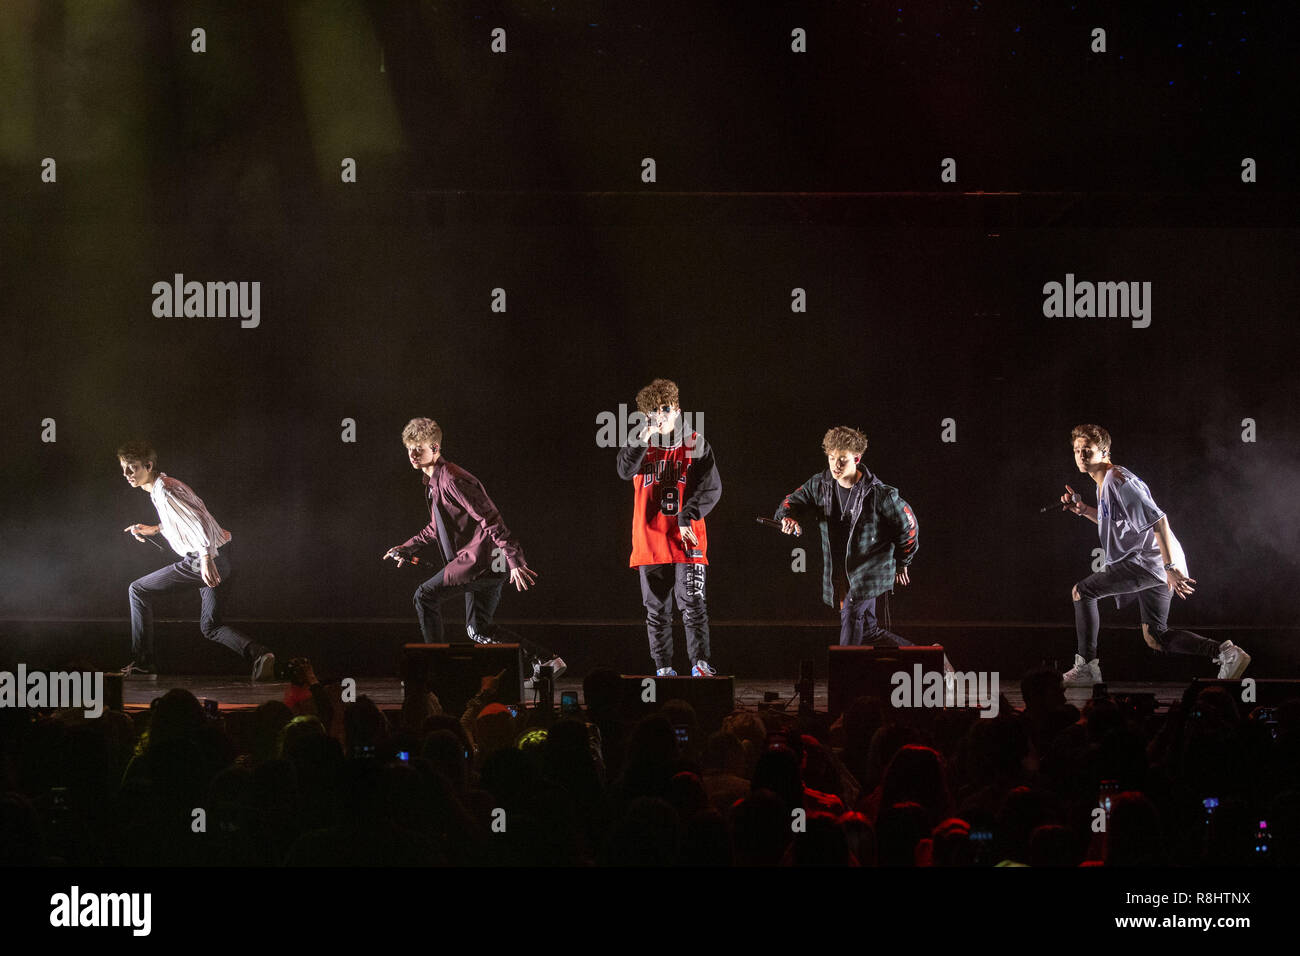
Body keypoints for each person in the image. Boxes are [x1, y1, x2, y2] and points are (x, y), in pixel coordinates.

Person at [1059, 424, 1249, 685]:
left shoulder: (1118, 480)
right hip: (1153, 561)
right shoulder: (1104, 483)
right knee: (1156, 637)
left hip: (1149, 561)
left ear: (1104, 452)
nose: (1081, 456)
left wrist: (1170, 567)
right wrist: (1083, 511)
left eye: (1087, 450)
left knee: (1082, 592)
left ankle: (1087, 668)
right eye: (1077, 450)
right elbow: (1116, 524)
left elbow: (1159, 521)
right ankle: (1226, 652)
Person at [382, 418, 562, 683]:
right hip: (486, 565)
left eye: (418, 448)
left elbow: (490, 518)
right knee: (478, 628)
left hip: (480, 562)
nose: (412, 454)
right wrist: (407, 547)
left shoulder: (453, 478)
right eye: (409, 448)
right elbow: (436, 527)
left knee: (424, 596)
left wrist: (513, 558)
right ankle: (547, 660)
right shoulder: (434, 482)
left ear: (434, 447)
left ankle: (436, 670)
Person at [117, 440, 275, 680]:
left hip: (204, 559)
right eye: (124, 468)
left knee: (137, 590)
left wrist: (206, 558)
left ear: (148, 466)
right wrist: (154, 529)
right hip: (222, 554)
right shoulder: (166, 486)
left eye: (132, 468)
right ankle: (260, 654)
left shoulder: (165, 491)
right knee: (210, 627)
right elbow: (186, 518)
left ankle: (143, 664)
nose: (127, 474)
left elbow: (198, 521)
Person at [774, 426, 918, 648]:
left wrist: (903, 562)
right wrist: (788, 517)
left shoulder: (880, 494)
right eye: (831, 458)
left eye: (842, 459)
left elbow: (908, 526)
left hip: (868, 572)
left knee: (850, 621)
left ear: (857, 458)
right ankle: (932, 661)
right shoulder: (819, 484)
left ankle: (844, 681)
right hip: (841, 572)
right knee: (869, 633)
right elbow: (791, 502)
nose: (835, 465)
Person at [615, 379, 721, 676]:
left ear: (677, 409)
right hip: (650, 538)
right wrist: (643, 435)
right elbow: (624, 470)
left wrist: (689, 516)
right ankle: (663, 668)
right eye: (653, 410)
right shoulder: (640, 443)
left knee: (693, 603)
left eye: (665, 408)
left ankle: (700, 663)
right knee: (657, 610)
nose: (660, 415)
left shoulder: (696, 443)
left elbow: (711, 488)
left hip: (687, 536)